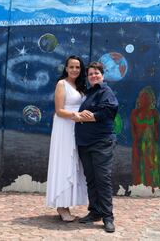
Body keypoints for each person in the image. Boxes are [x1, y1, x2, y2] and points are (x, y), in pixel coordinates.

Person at [75, 61, 119, 233]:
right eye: (91, 73)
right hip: (84, 143)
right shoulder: (88, 93)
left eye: (96, 73)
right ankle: (95, 212)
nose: (93, 76)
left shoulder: (105, 91)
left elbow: (110, 110)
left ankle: (108, 217)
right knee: (91, 179)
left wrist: (90, 116)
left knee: (103, 179)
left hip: (101, 142)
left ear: (102, 75)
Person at [45, 55, 88, 222]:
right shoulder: (61, 84)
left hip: (76, 126)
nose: (75, 70)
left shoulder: (78, 86)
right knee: (64, 162)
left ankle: (67, 204)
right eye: (71, 67)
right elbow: (59, 110)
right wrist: (76, 115)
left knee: (73, 164)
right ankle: (61, 206)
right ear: (66, 68)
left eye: (77, 67)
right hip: (64, 126)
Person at [130, 86, 160, 190]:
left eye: (147, 97)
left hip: (151, 146)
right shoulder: (135, 113)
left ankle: (152, 186)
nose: (144, 100)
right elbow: (133, 130)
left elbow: (157, 131)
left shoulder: (154, 113)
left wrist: (154, 144)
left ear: (151, 99)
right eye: (142, 97)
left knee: (151, 167)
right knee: (139, 167)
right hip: (138, 145)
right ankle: (140, 186)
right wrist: (136, 145)